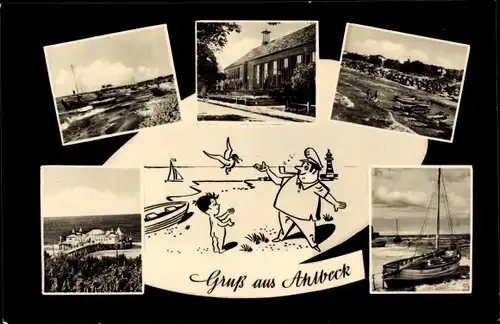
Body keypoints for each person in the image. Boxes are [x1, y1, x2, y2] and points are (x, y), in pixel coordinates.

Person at [255, 148, 347, 252]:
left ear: (313, 171)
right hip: (286, 210)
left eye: (305, 168)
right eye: (302, 168)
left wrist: (335, 203)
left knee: (309, 233)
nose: (301, 171)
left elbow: (325, 195)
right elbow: (277, 180)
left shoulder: (316, 185)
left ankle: (313, 244)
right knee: (284, 227)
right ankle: (281, 236)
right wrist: (267, 170)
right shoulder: (294, 178)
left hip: (303, 216)